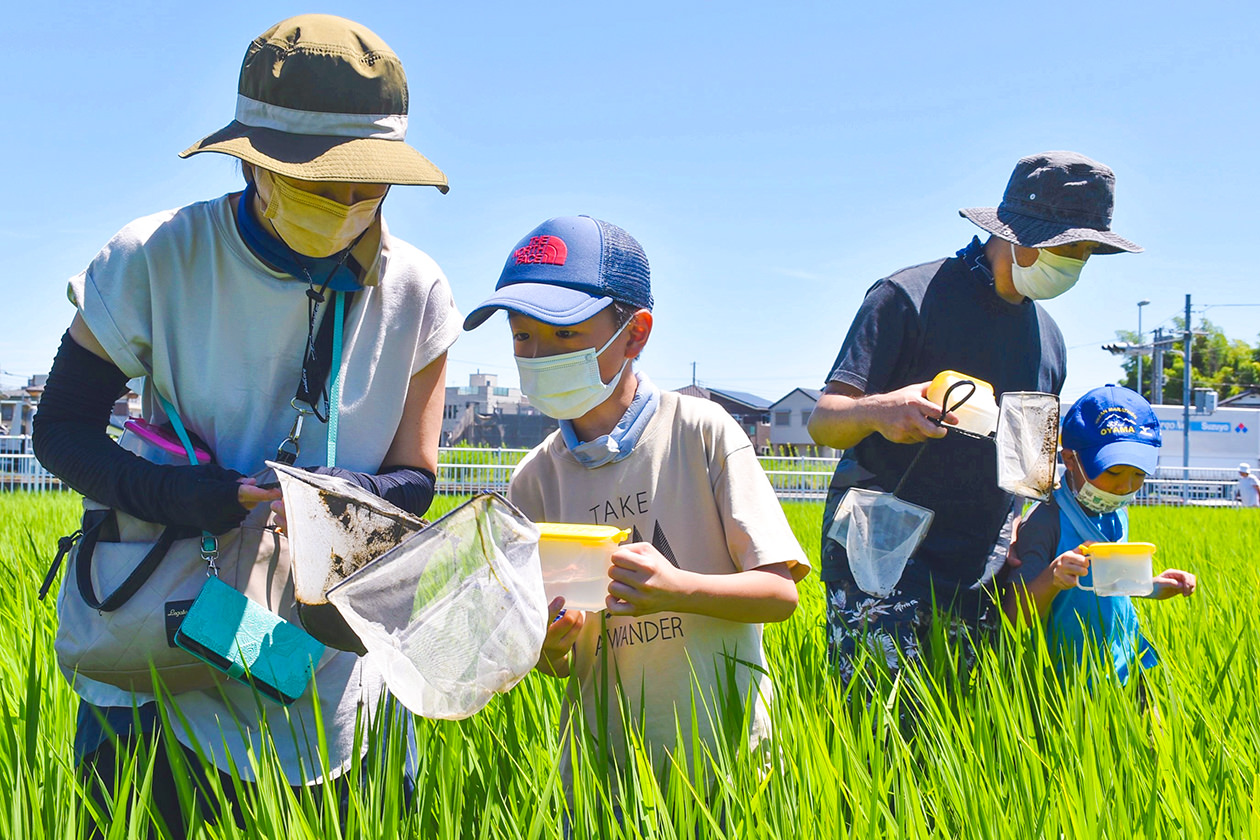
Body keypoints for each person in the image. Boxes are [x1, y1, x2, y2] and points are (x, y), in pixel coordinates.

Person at [32, 15, 459, 835]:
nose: (343, 205)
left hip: (322, 654)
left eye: (364, 184)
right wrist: (210, 497)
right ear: (254, 161)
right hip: (164, 646)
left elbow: (417, 474)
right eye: (315, 182)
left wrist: (330, 498)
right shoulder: (158, 256)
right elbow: (62, 430)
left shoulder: (418, 291)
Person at [462, 216, 810, 791]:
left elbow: (780, 593)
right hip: (600, 775)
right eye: (523, 336)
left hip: (722, 762)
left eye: (565, 334)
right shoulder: (534, 480)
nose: (540, 353)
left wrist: (677, 589)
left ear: (634, 334)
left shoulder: (701, 432)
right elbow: (555, 661)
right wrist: (551, 643)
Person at [807, 151, 1143, 681]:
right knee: (877, 735)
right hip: (883, 558)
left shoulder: (1048, 340)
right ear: (1018, 233)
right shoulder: (907, 298)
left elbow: (1028, 470)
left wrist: (1023, 533)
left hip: (979, 573)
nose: (1075, 264)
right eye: (1066, 247)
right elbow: (825, 420)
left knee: (960, 738)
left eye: (1085, 253)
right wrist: (883, 410)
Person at [1003, 385, 1196, 682]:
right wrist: (1053, 577)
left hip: (1126, 663)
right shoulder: (1047, 520)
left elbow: (1108, 582)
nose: (1126, 487)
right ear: (1070, 459)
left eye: (1139, 474)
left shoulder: (1117, 512)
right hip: (1068, 680)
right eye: (1113, 472)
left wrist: (1152, 587)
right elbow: (1015, 616)